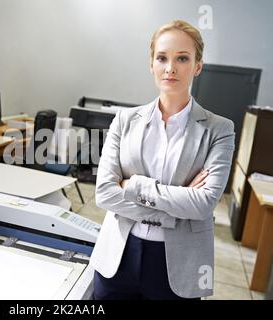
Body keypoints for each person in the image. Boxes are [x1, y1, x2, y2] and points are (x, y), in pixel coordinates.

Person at [90, 20, 235, 300]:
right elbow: (105, 194)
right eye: (162, 58)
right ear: (152, 63)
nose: (170, 68)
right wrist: (179, 206)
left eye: (182, 58)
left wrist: (133, 186)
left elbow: (204, 203)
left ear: (197, 66)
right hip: (118, 256)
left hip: (178, 264)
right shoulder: (124, 120)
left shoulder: (219, 129)